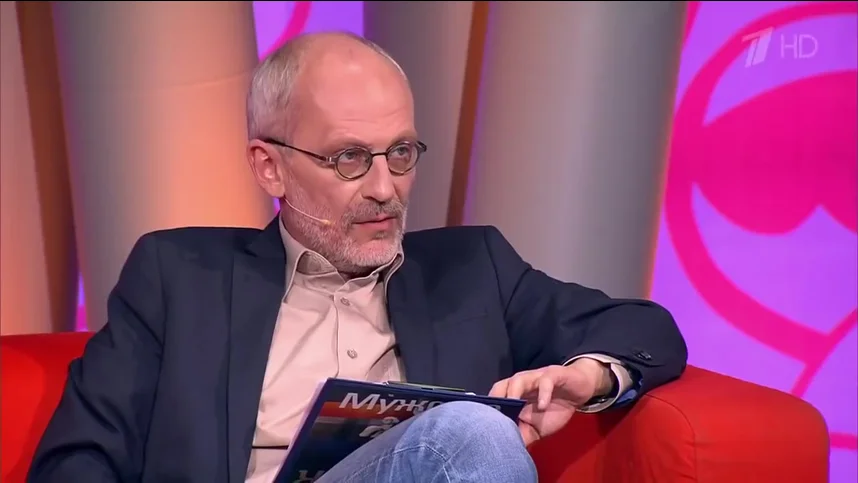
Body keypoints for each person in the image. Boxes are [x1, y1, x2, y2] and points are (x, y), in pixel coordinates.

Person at [28, 32, 688, 483]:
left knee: (469, 434)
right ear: (270, 167)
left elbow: (646, 329)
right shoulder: (178, 276)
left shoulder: (473, 269)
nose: (384, 188)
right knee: (474, 431)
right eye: (349, 158)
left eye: (400, 153)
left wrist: (587, 376)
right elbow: (76, 459)